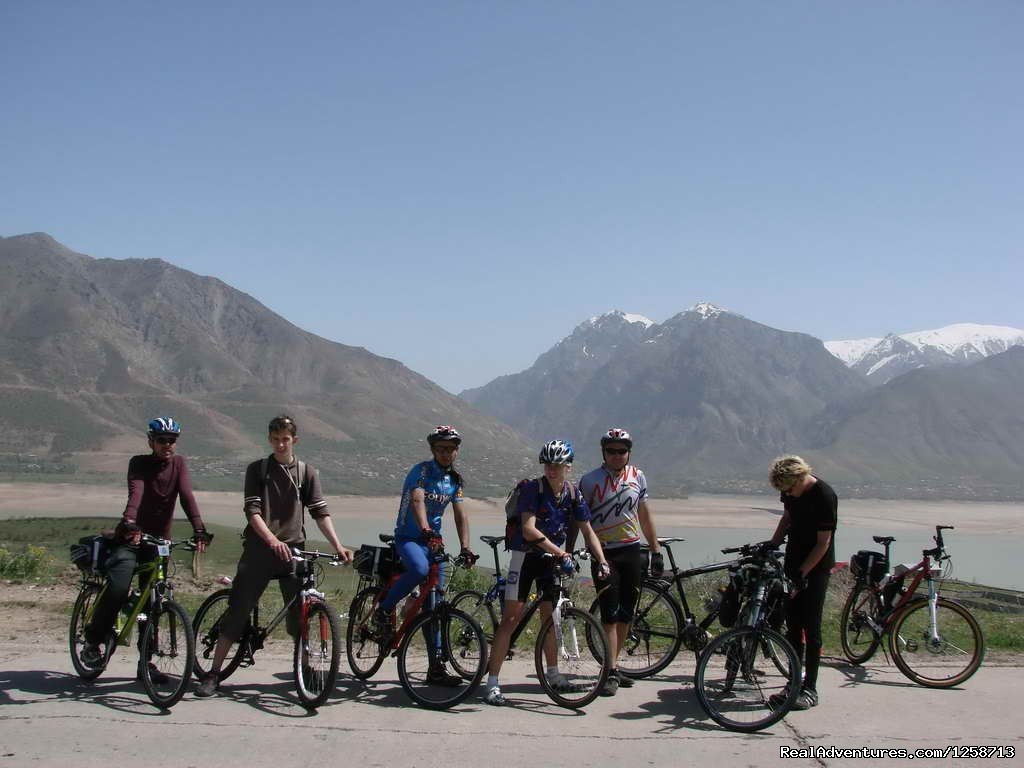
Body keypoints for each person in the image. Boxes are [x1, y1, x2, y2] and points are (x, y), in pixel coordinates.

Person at [195, 415, 353, 697]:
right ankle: (214, 672)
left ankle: (305, 668)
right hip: (260, 549)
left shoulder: (306, 473)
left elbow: (320, 513)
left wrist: (338, 545)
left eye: (286, 439)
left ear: (295, 440)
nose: (281, 444)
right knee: (239, 609)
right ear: (269, 440)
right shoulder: (258, 470)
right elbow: (252, 511)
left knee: (300, 615)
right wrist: (270, 540)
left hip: (293, 550)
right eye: (276, 439)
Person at [483, 439, 610, 706]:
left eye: (558, 465)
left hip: (549, 559)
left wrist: (602, 560)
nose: (552, 470)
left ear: (568, 468)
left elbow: (588, 531)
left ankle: (553, 674)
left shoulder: (572, 494)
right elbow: (528, 529)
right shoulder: (533, 489)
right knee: (510, 620)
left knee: (551, 618)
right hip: (525, 558)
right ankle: (492, 682)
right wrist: (560, 552)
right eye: (548, 465)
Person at [80, 417, 211, 678]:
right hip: (131, 539)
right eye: (162, 440)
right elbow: (136, 493)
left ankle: (145, 662)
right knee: (118, 588)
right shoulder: (138, 463)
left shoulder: (179, 464)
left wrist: (199, 529)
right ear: (151, 441)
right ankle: (93, 641)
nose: (167, 445)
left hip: (158, 543)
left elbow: (186, 496)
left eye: (172, 440)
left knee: (153, 602)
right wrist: (129, 522)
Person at [369, 426, 476, 686]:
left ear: (456, 451)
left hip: (433, 542)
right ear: (433, 450)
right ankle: (383, 611)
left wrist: (465, 547)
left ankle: (435, 668)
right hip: (409, 538)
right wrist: (426, 530)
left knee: (435, 607)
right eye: (440, 449)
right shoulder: (421, 471)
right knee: (418, 570)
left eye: (450, 449)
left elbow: (461, 515)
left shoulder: (454, 481)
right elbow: (417, 501)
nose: (445, 453)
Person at [578, 428, 662, 696]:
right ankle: (611, 670)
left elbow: (645, 516)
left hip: (632, 551)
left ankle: (613, 666)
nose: (616, 455)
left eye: (621, 451)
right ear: (603, 452)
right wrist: (567, 551)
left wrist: (656, 548)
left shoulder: (638, 477)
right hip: (604, 554)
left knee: (627, 613)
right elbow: (579, 521)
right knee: (610, 615)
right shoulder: (590, 481)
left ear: (629, 453)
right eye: (611, 450)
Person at [766, 455, 837, 711]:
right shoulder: (790, 492)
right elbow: (786, 518)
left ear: (800, 477)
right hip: (793, 559)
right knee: (793, 625)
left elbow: (823, 543)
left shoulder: (824, 495)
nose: (789, 495)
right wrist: (773, 544)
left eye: (790, 489)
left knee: (811, 627)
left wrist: (803, 573)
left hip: (817, 567)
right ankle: (794, 681)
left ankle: (811, 688)